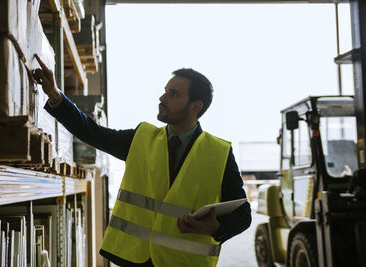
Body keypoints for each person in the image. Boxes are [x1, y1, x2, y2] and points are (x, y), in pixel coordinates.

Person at [33, 54, 251, 267]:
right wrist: (54, 95)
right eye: (164, 91)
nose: (162, 98)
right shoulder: (142, 138)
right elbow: (93, 133)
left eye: (173, 94)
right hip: (135, 259)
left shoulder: (218, 153)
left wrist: (216, 227)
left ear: (196, 106)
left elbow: (243, 215)